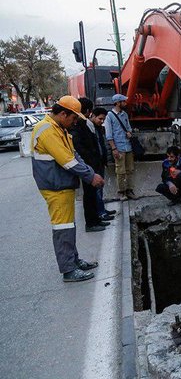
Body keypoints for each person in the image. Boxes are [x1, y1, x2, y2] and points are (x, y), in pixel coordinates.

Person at [31, 96, 105, 282]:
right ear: (63, 114)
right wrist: (91, 176)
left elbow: (74, 154)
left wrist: (90, 172)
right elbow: (68, 162)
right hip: (55, 187)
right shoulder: (48, 131)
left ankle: (74, 260)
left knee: (69, 226)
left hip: (62, 185)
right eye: (73, 118)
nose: (74, 123)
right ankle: (68, 269)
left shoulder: (59, 129)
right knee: (63, 228)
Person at [70, 98, 110, 232]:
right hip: (88, 165)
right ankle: (91, 223)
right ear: (88, 111)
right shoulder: (80, 125)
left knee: (93, 194)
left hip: (92, 164)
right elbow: (81, 148)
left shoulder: (84, 124)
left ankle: (96, 219)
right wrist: (90, 164)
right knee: (90, 195)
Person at [105, 93, 137, 201]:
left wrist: (129, 133)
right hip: (119, 148)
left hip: (128, 147)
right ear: (117, 103)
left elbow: (129, 128)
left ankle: (129, 190)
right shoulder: (109, 116)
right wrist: (114, 148)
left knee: (130, 170)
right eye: (123, 101)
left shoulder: (125, 115)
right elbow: (109, 134)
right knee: (120, 171)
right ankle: (121, 191)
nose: (125, 103)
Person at [90, 107, 117, 222]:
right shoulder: (89, 129)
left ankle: (102, 210)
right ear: (93, 116)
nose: (102, 121)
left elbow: (102, 145)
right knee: (96, 189)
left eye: (103, 119)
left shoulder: (99, 128)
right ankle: (100, 213)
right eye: (100, 118)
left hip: (100, 162)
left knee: (100, 188)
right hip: (94, 163)